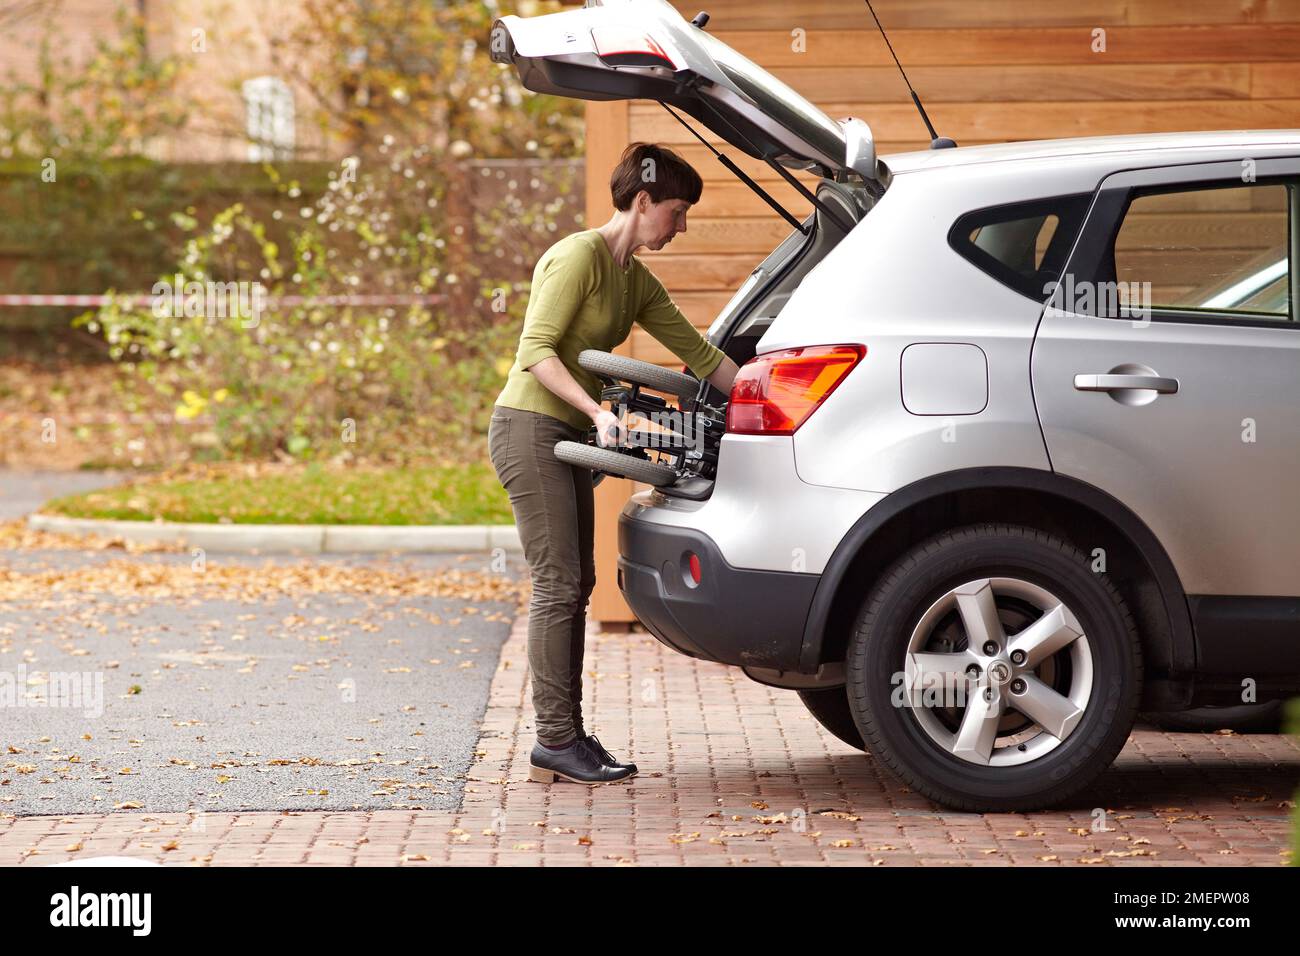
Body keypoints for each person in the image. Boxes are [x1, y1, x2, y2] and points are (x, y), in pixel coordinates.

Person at [488, 142, 741, 784]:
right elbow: (536, 352)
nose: (681, 226)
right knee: (559, 584)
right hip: (530, 427)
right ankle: (554, 740)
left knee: (580, 584)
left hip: (571, 432)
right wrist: (598, 413)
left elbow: (703, 356)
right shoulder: (579, 257)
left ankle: (566, 735)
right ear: (643, 200)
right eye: (678, 211)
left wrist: (778, 403)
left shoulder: (637, 280)